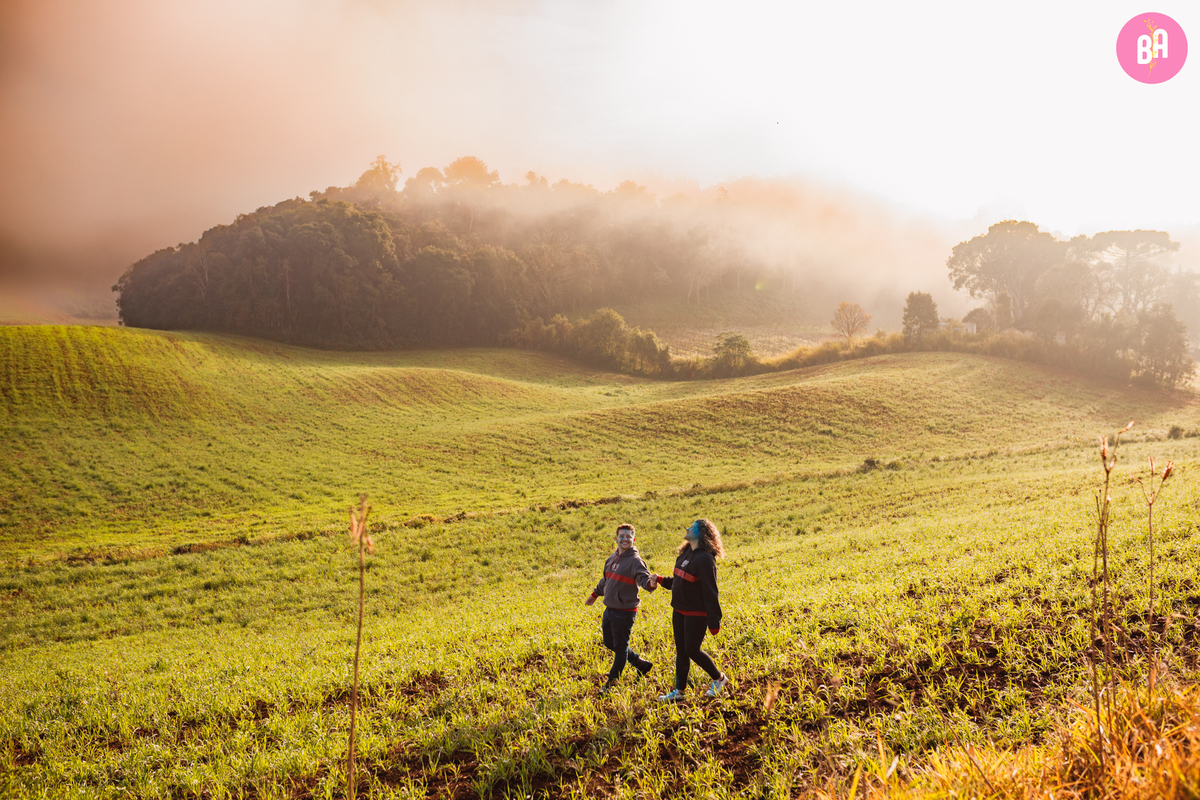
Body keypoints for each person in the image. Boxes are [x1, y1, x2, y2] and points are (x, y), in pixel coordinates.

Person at [652, 519, 728, 701]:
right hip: (679, 610)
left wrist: (714, 620)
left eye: (692, 527)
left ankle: (720, 679)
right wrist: (662, 580)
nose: (687, 528)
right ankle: (679, 691)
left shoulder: (705, 559)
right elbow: (679, 582)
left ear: (701, 533)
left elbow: (711, 591)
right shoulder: (685, 553)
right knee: (681, 651)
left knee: (692, 649)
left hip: (697, 613)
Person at [585, 523, 656, 692]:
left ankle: (611, 682)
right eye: (622, 536)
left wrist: (651, 584)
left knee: (620, 648)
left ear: (634, 539)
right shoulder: (612, 558)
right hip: (610, 609)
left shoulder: (635, 561)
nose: (625, 539)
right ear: (616, 539)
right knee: (609, 642)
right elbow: (605, 580)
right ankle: (640, 663)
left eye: (628, 536)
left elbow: (644, 580)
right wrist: (595, 594)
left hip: (625, 612)